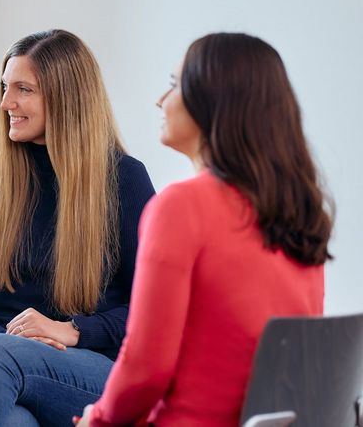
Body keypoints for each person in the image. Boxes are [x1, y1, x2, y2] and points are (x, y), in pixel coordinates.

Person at [76, 33, 331, 426]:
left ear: (213, 101)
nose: (161, 100)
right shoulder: (301, 213)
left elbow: (147, 368)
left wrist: (99, 419)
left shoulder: (181, 208)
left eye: (175, 84)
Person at [0, 29, 156, 426]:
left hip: (86, 368)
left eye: (23, 89)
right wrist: (1, 338)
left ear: (66, 97)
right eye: (5, 87)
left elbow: (150, 306)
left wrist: (71, 330)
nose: (6, 103)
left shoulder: (125, 179)